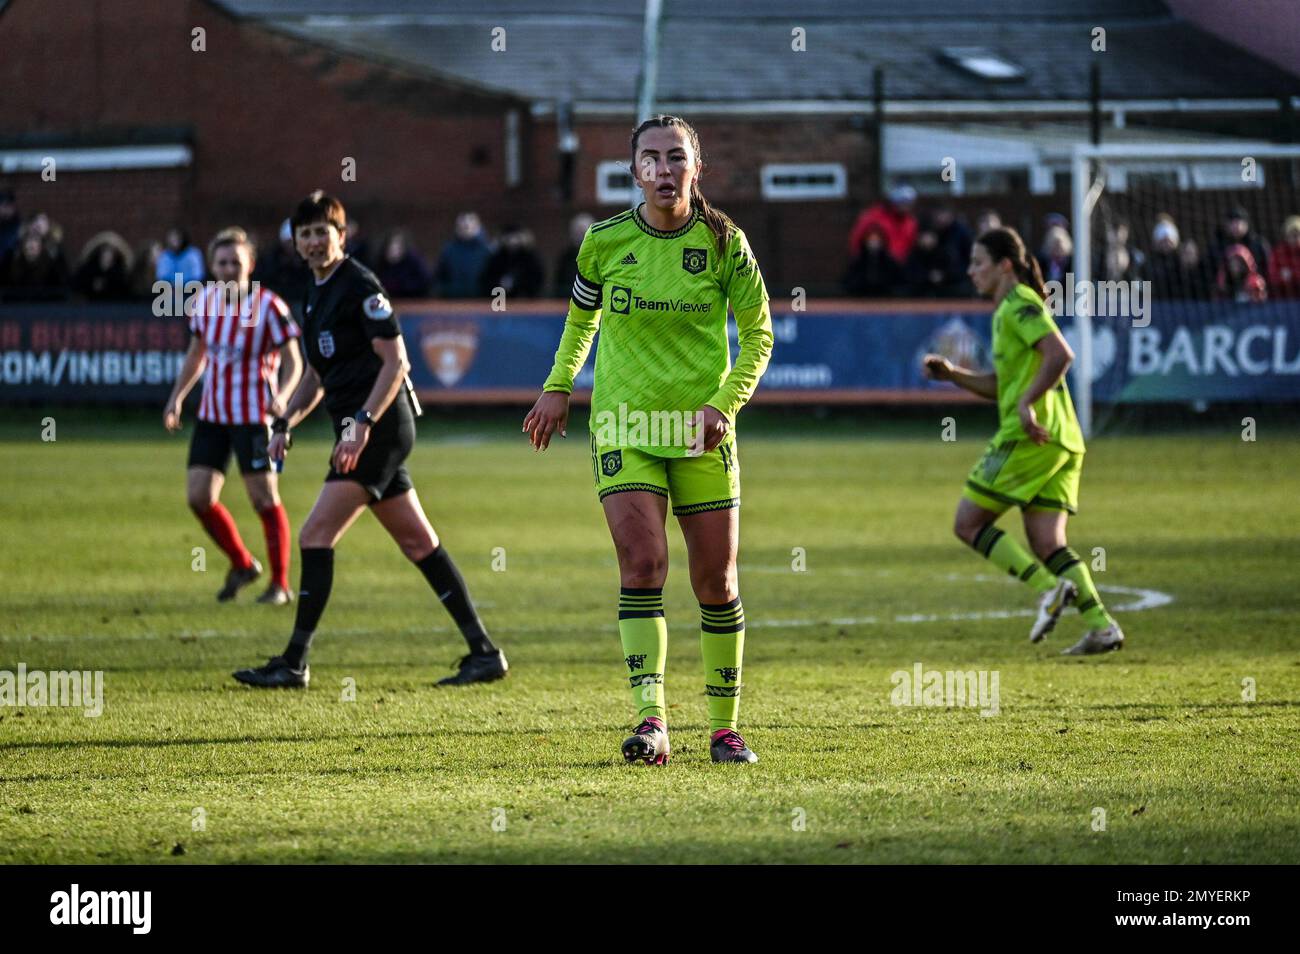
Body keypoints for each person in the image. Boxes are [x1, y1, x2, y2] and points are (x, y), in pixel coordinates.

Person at [523, 115, 773, 764]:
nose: (664, 170)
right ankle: (651, 721)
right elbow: (582, 320)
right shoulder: (603, 242)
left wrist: (724, 404)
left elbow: (760, 337)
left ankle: (725, 728)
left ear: (697, 167)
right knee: (644, 565)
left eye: (676, 158)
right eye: (651, 160)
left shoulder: (726, 245)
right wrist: (558, 386)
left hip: (699, 433)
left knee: (715, 581)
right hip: (625, 427)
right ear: (635, 171)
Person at [232, 191, 508, 688]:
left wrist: (360, 422)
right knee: (418, 542)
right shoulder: (313, 291)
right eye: (306, 234)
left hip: (380, 425)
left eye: (323, 232)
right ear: (295, 242)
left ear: (343, 235)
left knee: (315, 534)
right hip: (363, 427)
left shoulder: (359, 284)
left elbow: (396, 362)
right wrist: (284, 422)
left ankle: (294, 663)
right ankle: (484, 652)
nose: (315, 241)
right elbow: (316, 375)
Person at [922, 227, 1124, 656]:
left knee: (967, 523)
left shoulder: (1017, 304)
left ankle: (1049, 590)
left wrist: (1028, 404)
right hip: (1062, 439)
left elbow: (1061, 354)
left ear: (1005, 265)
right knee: (1048, 543)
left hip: (1032, 435)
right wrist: (953, 375)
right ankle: (1101, 625)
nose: (971, 271)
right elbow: (1002, 385)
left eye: (978, 262)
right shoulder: (1007, 311)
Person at [164, 227, 303, 604]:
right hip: (213, 415)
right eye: (222, 263)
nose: (228, 269)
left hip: (254, 417)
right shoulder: (204, 302)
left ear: (250, 265)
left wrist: (285, 399)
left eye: (236, 263)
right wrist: (178, 397)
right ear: (212, 266)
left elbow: (294, 362)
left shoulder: (270, 307)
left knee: (263, 499)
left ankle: (280, 585)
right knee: (198, 497)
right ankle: (242, 563)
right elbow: (197, 355)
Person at [847, 184, 918, 267]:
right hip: (877, 267)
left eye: (909, 202)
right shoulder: (873, 217)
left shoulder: (911, 222)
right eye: (902, 202)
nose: (905, 206)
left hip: (901, 269)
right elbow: (857, 241)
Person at [435, 211, 492, 298]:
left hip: (481, 302)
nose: (466, 227)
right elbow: (439, 276)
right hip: (453, 302)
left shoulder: (487, 251)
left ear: (478, 227)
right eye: (463, 225)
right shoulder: (448, 251)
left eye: (470, 225)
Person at [481, 223, 545, 298]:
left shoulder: (531, 257)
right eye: (509, 237)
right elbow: (487, 279)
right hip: (500, 300)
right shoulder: (496, 258)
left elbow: (537, 279)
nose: (512, 241)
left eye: (516, 237)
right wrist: (500, 283)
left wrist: (517, 283)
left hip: (526, 300)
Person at [72, 231, 134, 301]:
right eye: (104, 251)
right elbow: (79, 285)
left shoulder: (120, 273)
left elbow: (125, 289)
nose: (107, 255)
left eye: (110, 252)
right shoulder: (89, 270)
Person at [1266, 215, 1300, 300]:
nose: (1295, 238)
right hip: (1283, 298)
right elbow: (1273, 276)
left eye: (1298, 234)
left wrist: (1291, 274)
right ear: (1286, 236)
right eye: (1292, 235)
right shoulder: (1278, 252)